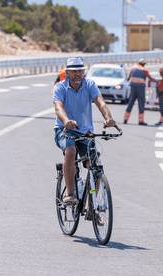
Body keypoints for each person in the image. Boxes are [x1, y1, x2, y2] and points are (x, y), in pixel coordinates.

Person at [53, 57, 116, 204]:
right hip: (64, 130)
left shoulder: (89, 85)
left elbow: (100, 102)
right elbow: (58, 107)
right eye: (74, 71)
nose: (77, 74)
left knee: (94, 164)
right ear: (67, 72)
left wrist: (108, 118)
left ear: (84, 72)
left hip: (85, 133)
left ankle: (92, 203)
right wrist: (66, 121)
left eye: (80, 71)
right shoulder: (60, 87)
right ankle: (69, 194)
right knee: (71, 151)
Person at [123, 58, 156, 125]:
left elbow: (129, 78)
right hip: (140, 88)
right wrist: (156, 81)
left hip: (133, 87)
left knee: (131, 102)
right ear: (144, 64)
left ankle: (125, 119)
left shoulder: (133, 68)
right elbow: (150, 78)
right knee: (141, 103)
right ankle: (141, 121)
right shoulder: (144, 70)